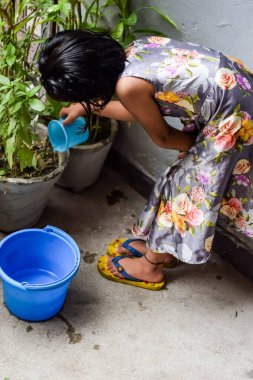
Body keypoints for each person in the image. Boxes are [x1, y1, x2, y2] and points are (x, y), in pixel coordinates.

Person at [39, 30, 253, 290]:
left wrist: (193, 150)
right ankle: (162, 247)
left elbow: (162, 137)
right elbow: (137, 110)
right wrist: (87, 106)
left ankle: (151, 266)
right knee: (182, 177)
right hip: (238, 90)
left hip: (233, 118)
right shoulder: (137, 49)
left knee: (188, 189)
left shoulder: (127, 87)